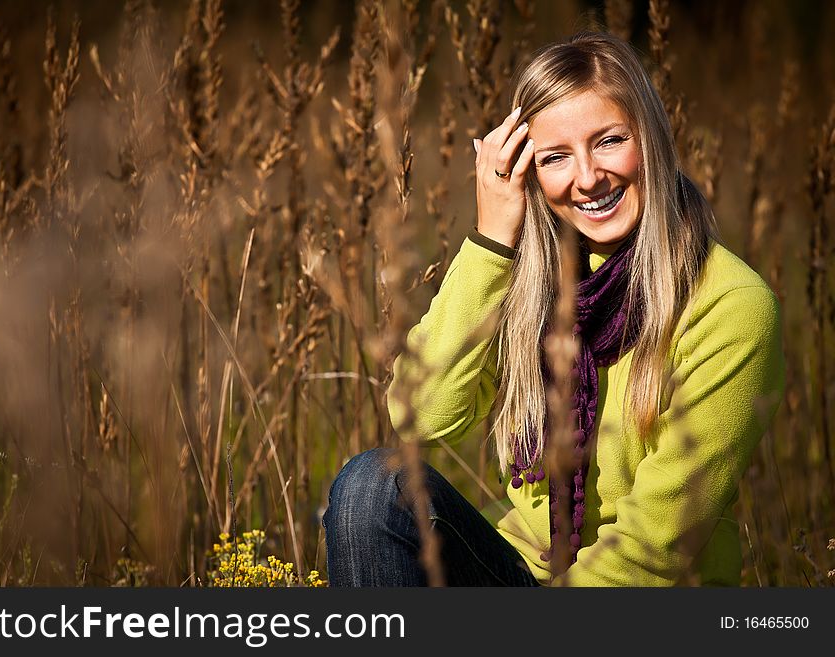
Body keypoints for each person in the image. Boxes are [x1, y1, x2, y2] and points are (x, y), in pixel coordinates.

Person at [322, 31, 785, 586]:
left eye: (609, 141)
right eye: (556, 157)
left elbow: (658, 544)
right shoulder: (531, 287)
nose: (587, 178)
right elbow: (420, 416)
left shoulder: (731, 306)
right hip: (526, 574)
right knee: (371, 488)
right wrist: (492, 237)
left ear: (652, 141)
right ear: (528, 171)